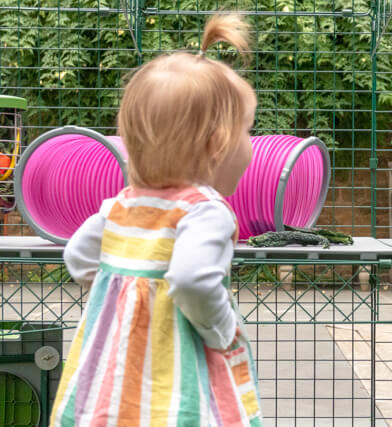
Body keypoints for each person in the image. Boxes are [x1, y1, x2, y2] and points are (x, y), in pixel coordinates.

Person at [50, 14, 263, 427]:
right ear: (218, 144)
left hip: (112, 386)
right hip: (173, 388)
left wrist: (125, 295)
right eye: (247, 132)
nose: (251, 146)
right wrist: (221, 330)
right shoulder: (205, 210)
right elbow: (192, 279)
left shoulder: (122, 204)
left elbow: (78, 257)